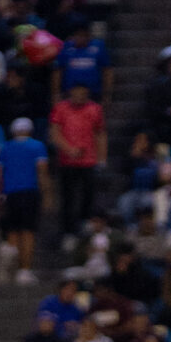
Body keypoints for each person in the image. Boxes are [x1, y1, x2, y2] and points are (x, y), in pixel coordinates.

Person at [49, 82, 106, 247]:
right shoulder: (60, 108)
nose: (79, 95)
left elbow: (100, 133)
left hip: (88, 160)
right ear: (71, 91)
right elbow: (54, 133)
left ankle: (85, 226)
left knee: (88, 196)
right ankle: (68, 232)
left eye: (83, 92)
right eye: (76, 91)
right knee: (68, 198)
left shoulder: (95, 109)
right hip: (67, 161)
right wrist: (69, 150)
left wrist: (102, 157)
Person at [0, 117, 50, 286]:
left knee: (13, 231)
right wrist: (47, 194)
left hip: (10, 194)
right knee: (27, 232)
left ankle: (8, 269)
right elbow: (42, 171)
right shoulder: (37, 146)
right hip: (29, 192)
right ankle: (24, 270)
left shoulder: (5, 148)